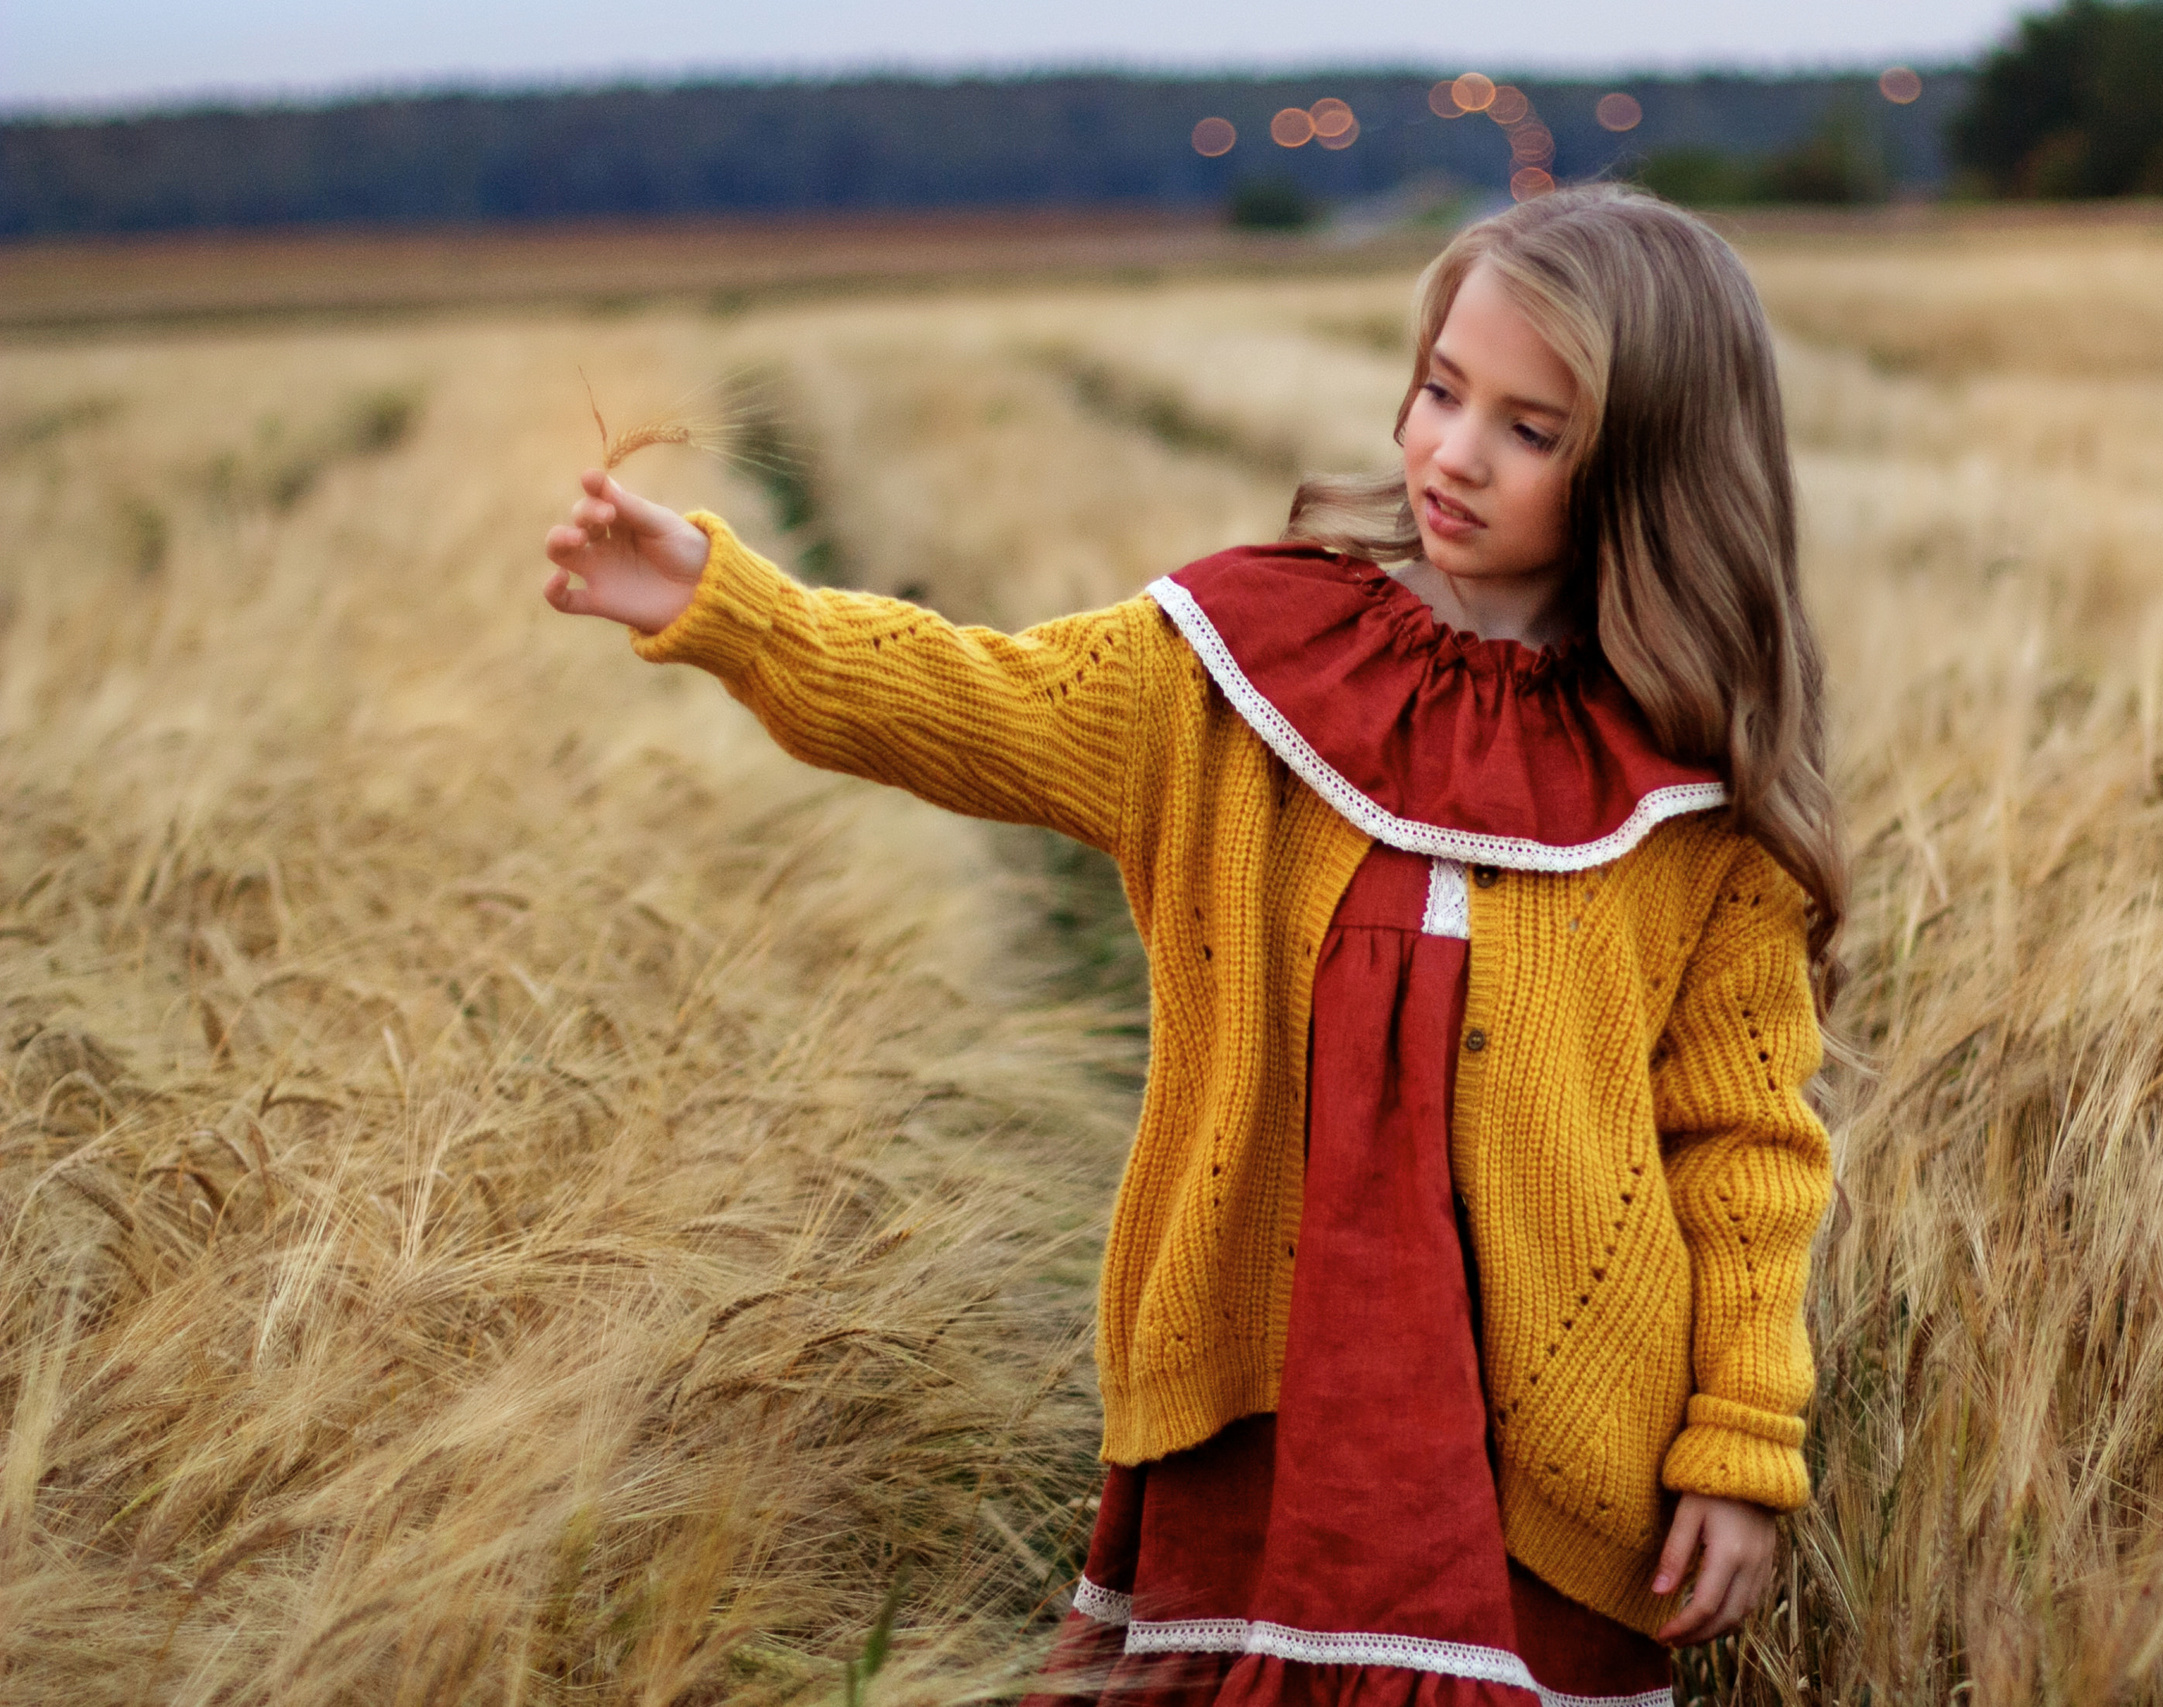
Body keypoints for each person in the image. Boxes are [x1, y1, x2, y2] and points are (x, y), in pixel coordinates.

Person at [542, 184, 1840, 1706]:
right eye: (1439, 389)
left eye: (1530, 430)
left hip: (1539, 1468)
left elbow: (1746, 1143)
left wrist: (1742, 1440)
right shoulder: (1244, 663)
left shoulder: (1690, 794)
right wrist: (730, 605)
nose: (1451, 453)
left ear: (1650, 467)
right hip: (1261, 1411)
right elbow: (983, 705)